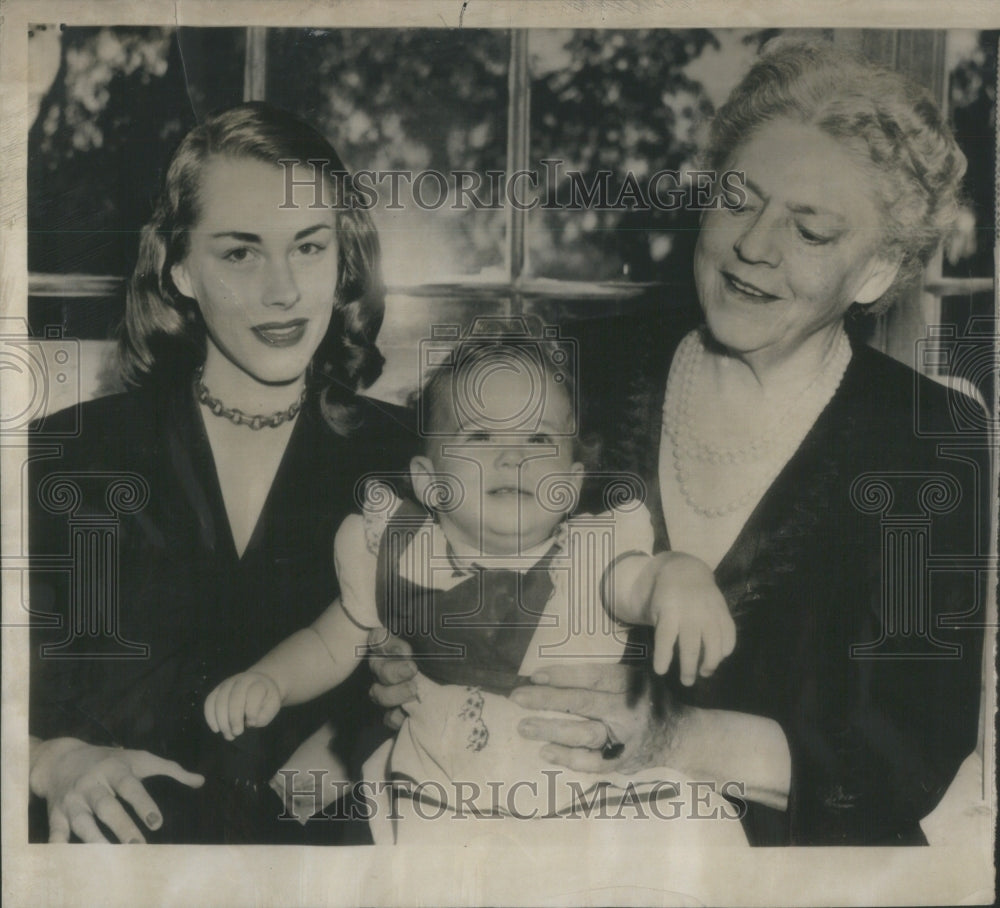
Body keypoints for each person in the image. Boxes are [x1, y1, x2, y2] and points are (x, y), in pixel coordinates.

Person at [371, 40, 989, 846]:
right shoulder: (580, 368)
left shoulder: (929, 439)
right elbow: (431, 526)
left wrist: (671, 740)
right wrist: (404, 652)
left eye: (809, 231)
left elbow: (902, 755)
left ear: (875, 273)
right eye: (738, 201)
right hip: (504, 828)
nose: (754, 245)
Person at [28, 102, 415, 844]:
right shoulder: (63, 456)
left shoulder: (410, 464)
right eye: (240, 253)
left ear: (343, 263)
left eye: (308, 247)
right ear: (178, 268)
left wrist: (365, 745)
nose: (282, 290)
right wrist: (49, 762)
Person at [204, 333, 741, 838]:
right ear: (430, 482)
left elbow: (644, 581)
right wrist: (270, 680)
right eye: (480, 436)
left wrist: (681, 576)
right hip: (432, 796)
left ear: (572, 485)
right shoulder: (398, 549)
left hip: (578, 805)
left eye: (538, 437)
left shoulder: (594, 554)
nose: (512, 456)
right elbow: (330, 641)